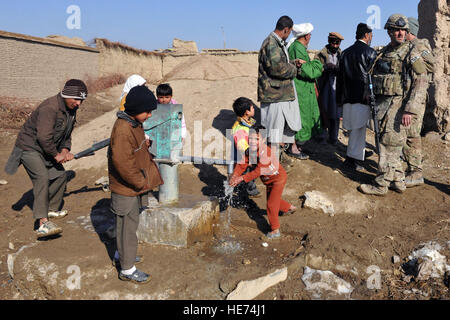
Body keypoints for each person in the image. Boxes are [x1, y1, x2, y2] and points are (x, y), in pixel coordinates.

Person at [4, 79, 88, 238]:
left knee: (60, 175)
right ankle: (42, 223)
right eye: (76, 99)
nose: (79, 104)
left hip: (45, 148)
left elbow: (66, 134)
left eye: (81, 100)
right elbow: (43, 138)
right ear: (66, 95)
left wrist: (65, 149)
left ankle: (51, 209)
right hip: (29, 147)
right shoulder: (50, 108)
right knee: (42, 177)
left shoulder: (71, 109)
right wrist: (57, 155)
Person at [359, 14, 428, 195]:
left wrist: (410, 110)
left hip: (399, 105)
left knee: (389, 143)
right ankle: (398, 180)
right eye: (396, 30)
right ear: (389, 31)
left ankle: (381, 184)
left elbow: (421, 81)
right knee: (386, 141)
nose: (400, 33)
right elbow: (371, 74)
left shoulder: (410, 52)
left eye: (403, 30)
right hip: (383, 104)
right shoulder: (384, 52)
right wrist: (368, 92)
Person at [108, 85, 163, 284]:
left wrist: (145, 145)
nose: (149, 115)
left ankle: (123, 255)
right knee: (126, 228)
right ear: (135, 109)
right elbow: (123, 164)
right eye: (147, 111)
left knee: (130, 226)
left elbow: (134, 151)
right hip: (126, 188)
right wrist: (141, 182)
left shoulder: (133, 124)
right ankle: (127, 269)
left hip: (133, 186)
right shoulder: (123, 130)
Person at [229, 125, 296, 239]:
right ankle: (289, 208)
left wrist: (241, 178)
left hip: (278, 179)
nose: (253, 142)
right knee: (273, 200)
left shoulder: (266, 152)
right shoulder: (249, 151)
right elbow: (241, 164)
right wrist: (234, 175)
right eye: (250, 139)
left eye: (257, 139)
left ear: (264, 140)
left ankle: (275, 230)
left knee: (271, 204)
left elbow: (258, 171)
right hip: (268, 180)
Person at [258, 15, 303, 170]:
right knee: (273, 135)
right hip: (274, 96)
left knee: (278, 135)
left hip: (279, 95)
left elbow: (279, 64)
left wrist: (291, 63)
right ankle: (270, 167)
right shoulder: (271, 44)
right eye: (289, 32)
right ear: (286, 29)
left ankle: (276, 162)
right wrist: (294, 68)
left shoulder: (276, 43)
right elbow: (278, 69)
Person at [336, 23, 377, 171]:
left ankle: (354, 156)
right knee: (359, 130)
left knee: (354, 130)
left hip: (347, 98)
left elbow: (339, 79)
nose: (371, 38)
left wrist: (339, 99)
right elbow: (372, 78)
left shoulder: (345, 53)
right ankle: (353, 160)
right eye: (371, 35)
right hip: (362, 98)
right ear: (366, 35)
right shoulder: (371, 53)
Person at [403, 17, 435, 187]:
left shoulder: (420, 46)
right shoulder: (407, 47)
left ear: (409, 32)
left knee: (412, 135)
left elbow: (431, 66)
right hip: (407, 97)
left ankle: (416, 172)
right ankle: (410, 169)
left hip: (416, 98)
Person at [287, 23, 323, 156]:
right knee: (300, 118)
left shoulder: (299, 47)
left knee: (305, 118)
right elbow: (311, 72)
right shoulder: (297, 48)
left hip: (304, 90)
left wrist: (310, 65)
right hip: (301, 90)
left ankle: (298, 146)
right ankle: (294, 148)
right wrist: (317, 63)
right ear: (307, 36)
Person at [315, 32, 344, 145]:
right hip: (324, 88)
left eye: (337, 43)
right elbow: (315, 69)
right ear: (329, 41)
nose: (335, 45)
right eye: (333, 43)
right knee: (323, 111)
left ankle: (333, 138)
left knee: (336, 114)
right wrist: (325, 67)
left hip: (337, 88)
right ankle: (321, 136)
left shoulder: (342, 54)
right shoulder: (320, 55)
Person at [231, 97, 260, 198]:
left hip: (247, 156)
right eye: (252, 108)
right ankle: (250, 191)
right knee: (247, 174)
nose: (254, 109)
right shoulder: (240, 129)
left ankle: (241, 189)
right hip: (243, 158)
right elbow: (242, 147)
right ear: (247, 112)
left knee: (248, 173)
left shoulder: (248, 121)